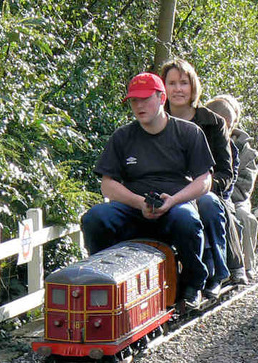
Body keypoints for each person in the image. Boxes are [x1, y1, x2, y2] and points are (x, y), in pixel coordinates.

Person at [80, 72, 214, 309]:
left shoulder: (188, 133)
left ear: (161, 98)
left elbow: (204, 180)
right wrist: (138, 202)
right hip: (133, 207)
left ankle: (193, 285)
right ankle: (104, 283)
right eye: (134, 101)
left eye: (145, 99)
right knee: (95, 218)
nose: (139, 106)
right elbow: (107, 184)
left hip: (175, 205)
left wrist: (173, 200)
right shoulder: (122, 136)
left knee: (187, 219)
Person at [160, 59, 248, 294]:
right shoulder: (154, 122)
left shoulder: (213, 123)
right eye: (172, 83)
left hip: (206, 192)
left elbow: (225, 172)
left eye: (184, 83)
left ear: (193, 87)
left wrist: (200, 189)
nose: (178, 89)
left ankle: (216, 270)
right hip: (166, 192)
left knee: (207, 203)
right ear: (163, 88)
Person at [210, 94, 258, 283]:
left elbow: (245, 184)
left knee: (244, 218)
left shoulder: (243, 149)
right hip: (216, 194)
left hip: (236, 198)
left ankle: (246, 265)